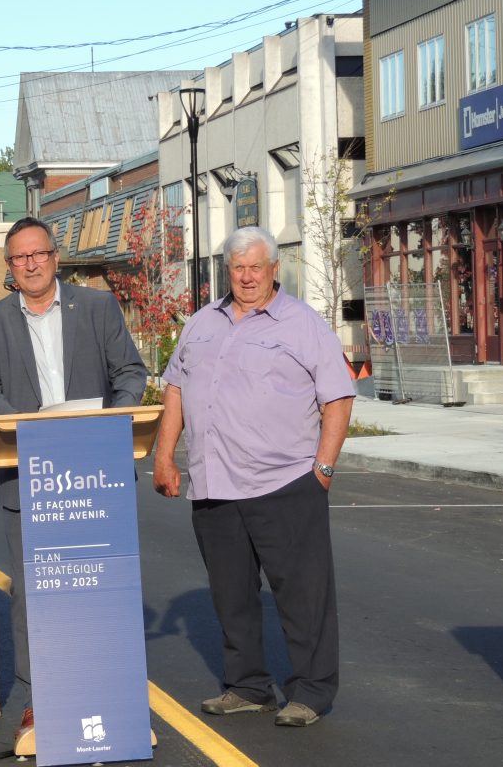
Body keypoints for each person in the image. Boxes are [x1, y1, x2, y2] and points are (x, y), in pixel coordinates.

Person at [153, 226, 355, 727]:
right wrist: (164, 455)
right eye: (238, 268)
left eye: (255, 268)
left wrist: (322, 470)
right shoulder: (201, 323)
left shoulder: (302, 324)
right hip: (214, 483)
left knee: (302, 595)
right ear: (229, 271)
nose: (246, 277)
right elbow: (175, 390)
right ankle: (247, 687)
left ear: (273, 270)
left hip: (284, 483)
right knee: (231, 593)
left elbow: (339, 397)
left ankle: (310, 692)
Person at [0, 217, 147, 750]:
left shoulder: (97, 308)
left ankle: (111, 698)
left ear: (55, 257)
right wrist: (27, 433)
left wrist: (108, 426)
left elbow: (131, 374)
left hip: (95, 476)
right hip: (29, 478)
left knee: (100, 586)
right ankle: (38, 701)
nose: (30, 264)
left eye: (38, 254)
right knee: (33, 595)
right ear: (9, 267)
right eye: (19, 258)